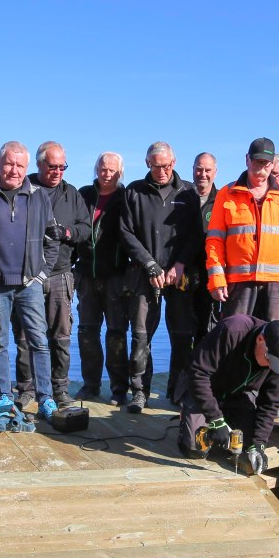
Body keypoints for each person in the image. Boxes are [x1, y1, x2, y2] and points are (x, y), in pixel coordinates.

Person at [0, 141, 60, 422]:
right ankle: (4, 395)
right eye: (8, 163)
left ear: (26, 168)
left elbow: (53, 238)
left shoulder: (38, 196)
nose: (13, 170)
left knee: (39, 341)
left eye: (19, 165)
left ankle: (46, 399)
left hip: (30, 283)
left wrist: (42, 273)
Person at [119, 141, 202, 413]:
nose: (162, 171)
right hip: (146, 275)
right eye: (156, 166)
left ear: (174, 163)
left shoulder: (188, 192)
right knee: (142, 335)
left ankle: (177, 391)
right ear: (147, 164)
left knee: (181, 335)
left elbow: (194, 235)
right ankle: (139, 392)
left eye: (166, 166)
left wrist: (179, 264)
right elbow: (126, 233)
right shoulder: (134, 191)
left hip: (179, 275)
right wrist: (149, 265)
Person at [12, 142, 90, 410]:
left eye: (62, 167)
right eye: (52, 166)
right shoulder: (24, 188)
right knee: (24, 336)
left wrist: (67, 233)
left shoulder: (72, 194)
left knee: (61, 336)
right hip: (27, 276)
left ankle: (60, 388)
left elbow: (86, 229)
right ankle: (26, 388)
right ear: (39, 165)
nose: (57, 172)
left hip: (61, 275)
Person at [175, 316, 279, 474]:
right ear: (260, 339)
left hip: (238, 393)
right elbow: (198, 374)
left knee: (245, 443)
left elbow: (271, 403)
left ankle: (224, 420)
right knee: (194, 448)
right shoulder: (233, 330)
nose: (271, 366)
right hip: (203, 386)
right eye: (269, 359)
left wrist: (259, 444)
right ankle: (187, 417)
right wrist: (215, 419)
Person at [205, 137, 279, 321]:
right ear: (247, 159)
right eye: (257, 162)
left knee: (275, 341)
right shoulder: (226, 194)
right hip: (238, 284)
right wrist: (217, 280)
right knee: (235, 338)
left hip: (276, 284)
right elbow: (215, 241)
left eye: (266, 164)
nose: (261, 168)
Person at [75, 152, 132, 404]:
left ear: (120, 172)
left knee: (117, 333)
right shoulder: (84, 194)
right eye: (103, 169)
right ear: (96, 169)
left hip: (116, 275)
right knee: (87, 332)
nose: (107, 174)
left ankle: (119, 388)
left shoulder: (126, 197)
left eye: (112, 170)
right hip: (87, 273)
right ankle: (90, 384)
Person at [190, 152, 219, 347]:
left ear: (215, 172)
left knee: (209, 331)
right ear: (193, 170)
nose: (203, 174)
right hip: (184, 274)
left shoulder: (222, 200)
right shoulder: (182, 197)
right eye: (199, 169)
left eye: (207, 170)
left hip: (212, 275)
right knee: (183, 333)